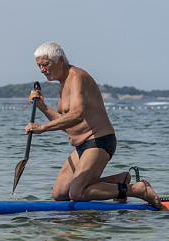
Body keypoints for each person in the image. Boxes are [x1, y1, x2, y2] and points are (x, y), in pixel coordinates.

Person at [25, 41, 162, 209]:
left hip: (99, 141)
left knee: (77, 193)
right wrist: (42, 107)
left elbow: (76, 115)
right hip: (82, 145)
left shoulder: (76, 77)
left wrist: (41, 128)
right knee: (59, 194)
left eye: (45, 65)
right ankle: (119, 180)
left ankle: (138, 190)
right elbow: (66, 123)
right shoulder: (63, 83)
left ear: (60, 60)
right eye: (39, 66)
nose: (42, 70)